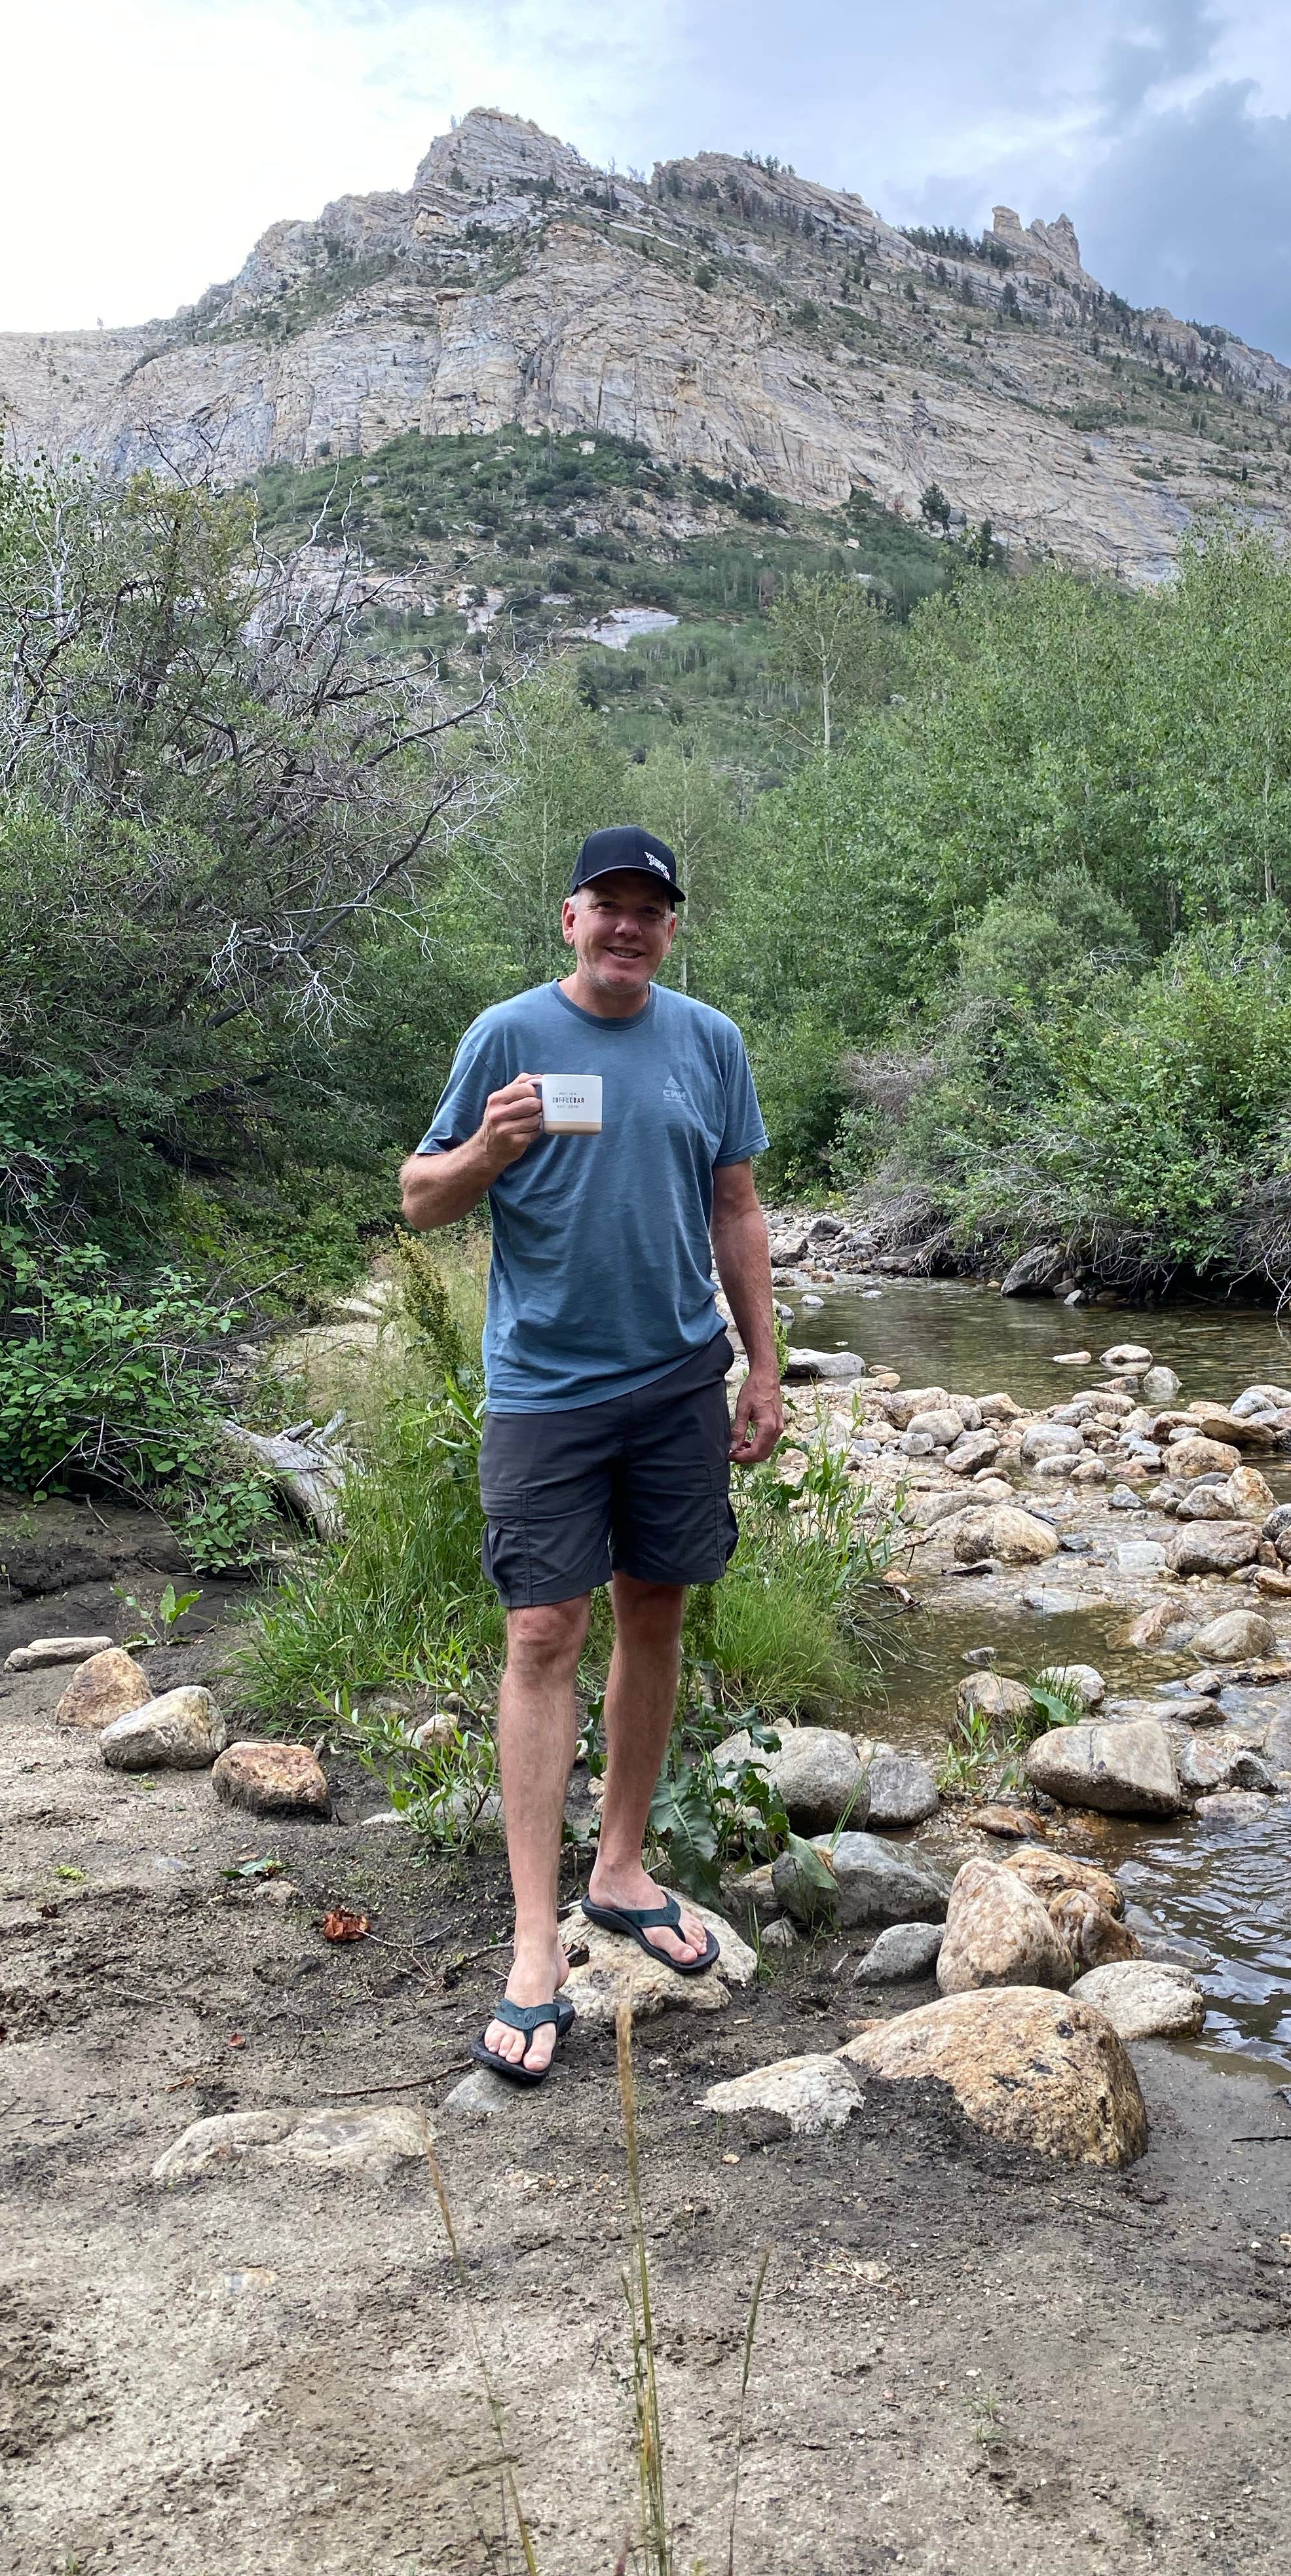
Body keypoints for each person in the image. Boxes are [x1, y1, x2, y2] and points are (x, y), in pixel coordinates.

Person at [399, 824, 784, 2084]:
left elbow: (735, 1205)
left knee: (655, 1610)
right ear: (568, 919)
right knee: (540, 1632)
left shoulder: (710, 1042)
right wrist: (490, 1150)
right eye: (605, 906)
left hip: (679, 1379)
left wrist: (763, 1364)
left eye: (649, 910)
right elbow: (419, 1198)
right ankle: (532, 1943)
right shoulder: (505, 1037)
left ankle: (618, 1872)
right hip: (545, 1392)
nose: (627, 926)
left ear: (672, 926)